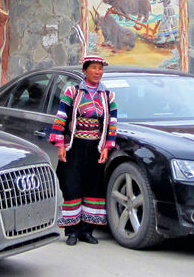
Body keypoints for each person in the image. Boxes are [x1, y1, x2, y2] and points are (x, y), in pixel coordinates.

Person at [49, 55, 118, 246]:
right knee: (72, 187)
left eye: (100, 69)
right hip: (75, 147)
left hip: (95, 148)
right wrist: (61, 145)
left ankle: (87, 231)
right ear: (85, 70)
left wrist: (107, 146)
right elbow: (61, 117)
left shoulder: (108, 96)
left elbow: (112, 122)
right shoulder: (72, 92)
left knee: (93, 188)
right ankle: (72, 231)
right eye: (94, 68)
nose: (98, 72)